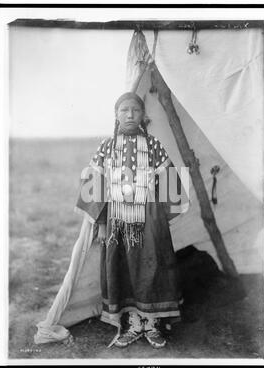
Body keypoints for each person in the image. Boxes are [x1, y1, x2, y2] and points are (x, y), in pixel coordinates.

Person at [75, 92, 186, 348]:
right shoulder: (106, 147)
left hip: (149, 220)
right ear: (116, 115)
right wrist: (102, 223)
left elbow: (171, 186)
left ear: (142, 116)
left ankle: (153, 324)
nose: (129, 115)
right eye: (124, 110)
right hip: (116, 222)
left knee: (152, 266)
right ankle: (134, 322)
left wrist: (158, 220)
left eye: (135, 110)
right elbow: (95, 187)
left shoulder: (155, 145)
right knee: (123, 268)